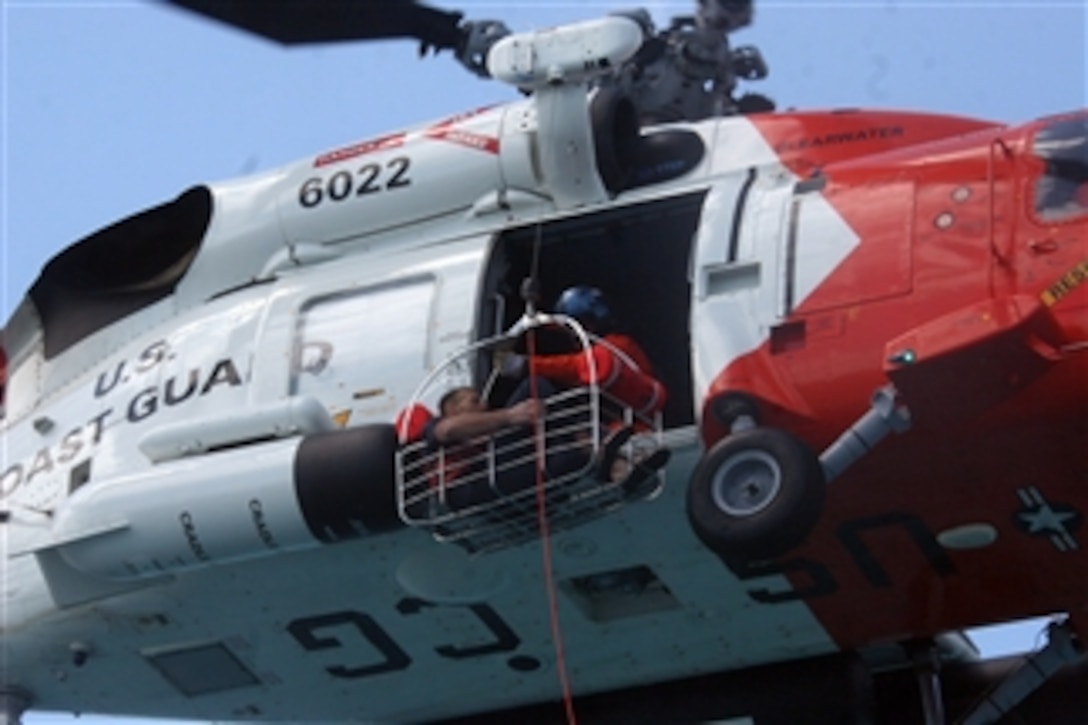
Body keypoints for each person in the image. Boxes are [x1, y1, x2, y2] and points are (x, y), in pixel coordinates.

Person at [500, 285, 670, 493]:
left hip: (630, 429)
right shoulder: (619, 349)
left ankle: (618, 462)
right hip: (624, 429)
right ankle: (620, 466)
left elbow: (584, 367)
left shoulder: (615, 347)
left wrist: (525, 363)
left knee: (557, 402)